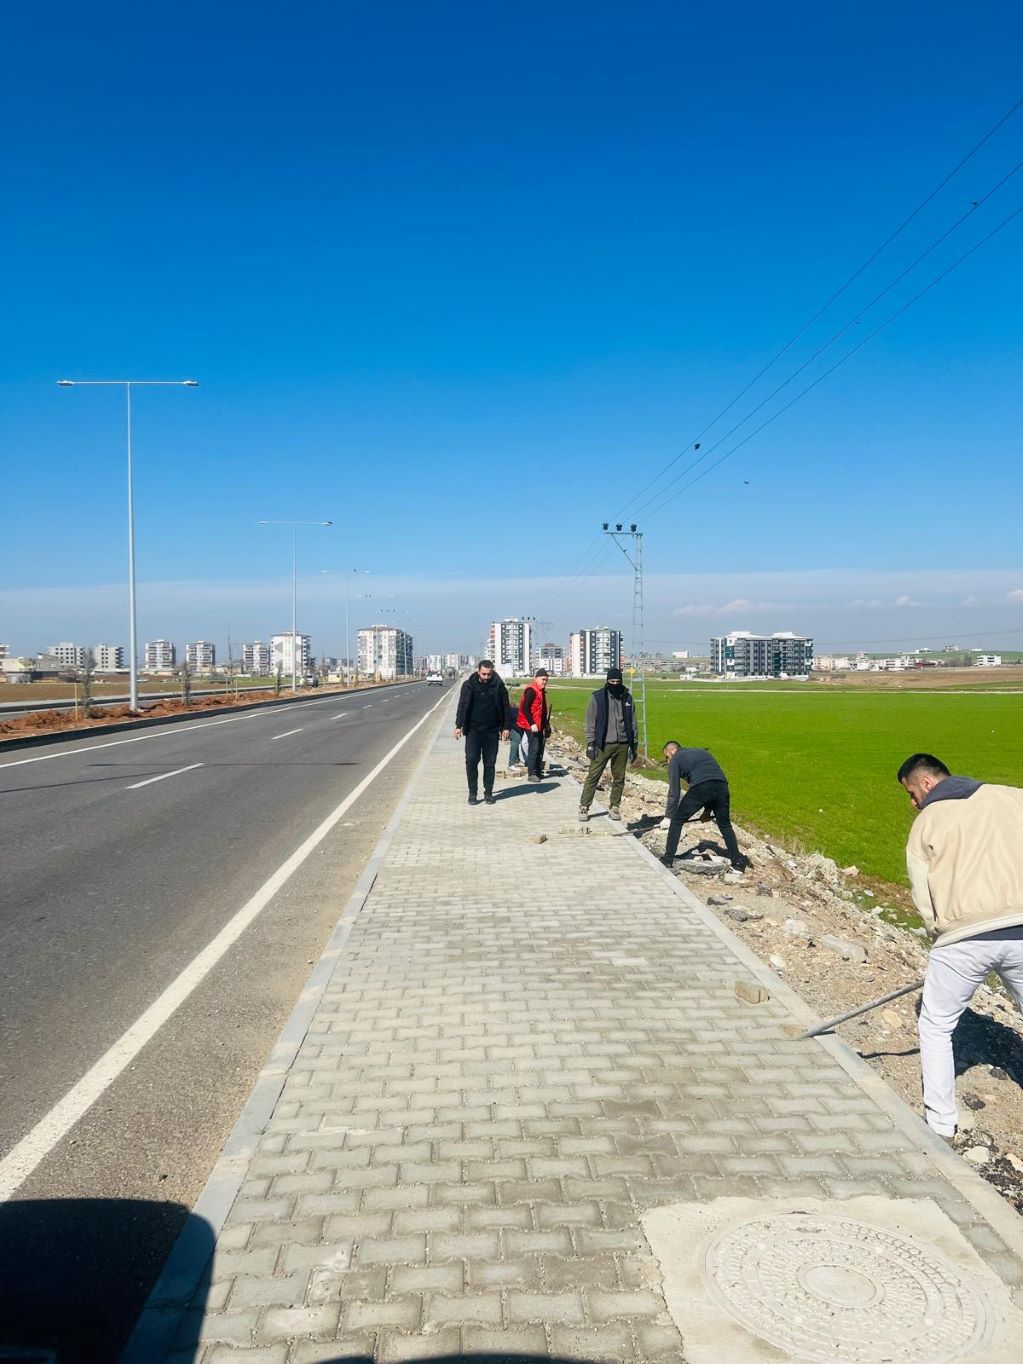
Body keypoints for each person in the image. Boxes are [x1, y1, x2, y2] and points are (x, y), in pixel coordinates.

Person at [898, 752, 1023, 1140]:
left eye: (911, 793)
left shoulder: (927, 822)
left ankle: (940, 1124)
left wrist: (939, 933)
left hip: (963, 936)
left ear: (927, 783)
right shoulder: (1011, 796)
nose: (912, 802)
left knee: (936, 1025)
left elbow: (923, 894)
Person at [658, 740, 750, 871]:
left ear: (672, 750)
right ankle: (738, 862)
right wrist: (707, 812)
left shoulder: (676, 759)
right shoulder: (702, 752)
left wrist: (668, 817)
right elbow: (711, 783)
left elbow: (674, 791)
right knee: (724, 824)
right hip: (722, 785)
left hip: (701, 786)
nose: (668, 761)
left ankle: (667, 859)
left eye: (667, 757)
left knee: (677, 821)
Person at [578, 667, 637, 821]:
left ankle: (615, 807)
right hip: (602, 744)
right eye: (612, 681)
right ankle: (584, 806)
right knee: (593, 776)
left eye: (618, 681)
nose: (615, 684)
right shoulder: (597, 698)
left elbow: (633, 723)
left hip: (622, 745)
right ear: (607, 681)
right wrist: (590, 743)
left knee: (619, 778)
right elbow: (590, 722)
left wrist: (634, 745)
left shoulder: (627, 698)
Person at [454, 660, 510, 805]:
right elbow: (462, 706)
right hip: (473, 730)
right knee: (471, 760)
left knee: (490, 763)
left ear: (492, 672)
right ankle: (472, 793)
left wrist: (505, 728)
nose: (486, 677)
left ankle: (488, 793)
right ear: (478, 671)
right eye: (484, 674)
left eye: (489, 674)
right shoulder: (468, 685)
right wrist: (458, 725)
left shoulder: (499, 686)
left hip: (491, 731)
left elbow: (506, 708)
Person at [516, 668, 552, 782]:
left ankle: (537, 771)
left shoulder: (541, 690)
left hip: (539, 724)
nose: (544, 681)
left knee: (540, 747)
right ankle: (532, 773)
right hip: (529, 724)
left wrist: (546, 724)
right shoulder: (531, 690)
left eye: (546, 680)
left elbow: (542, 710)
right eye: (543, 679)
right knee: (534, 748)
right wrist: (532, 723)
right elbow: (525, 708)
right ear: (536, 678)